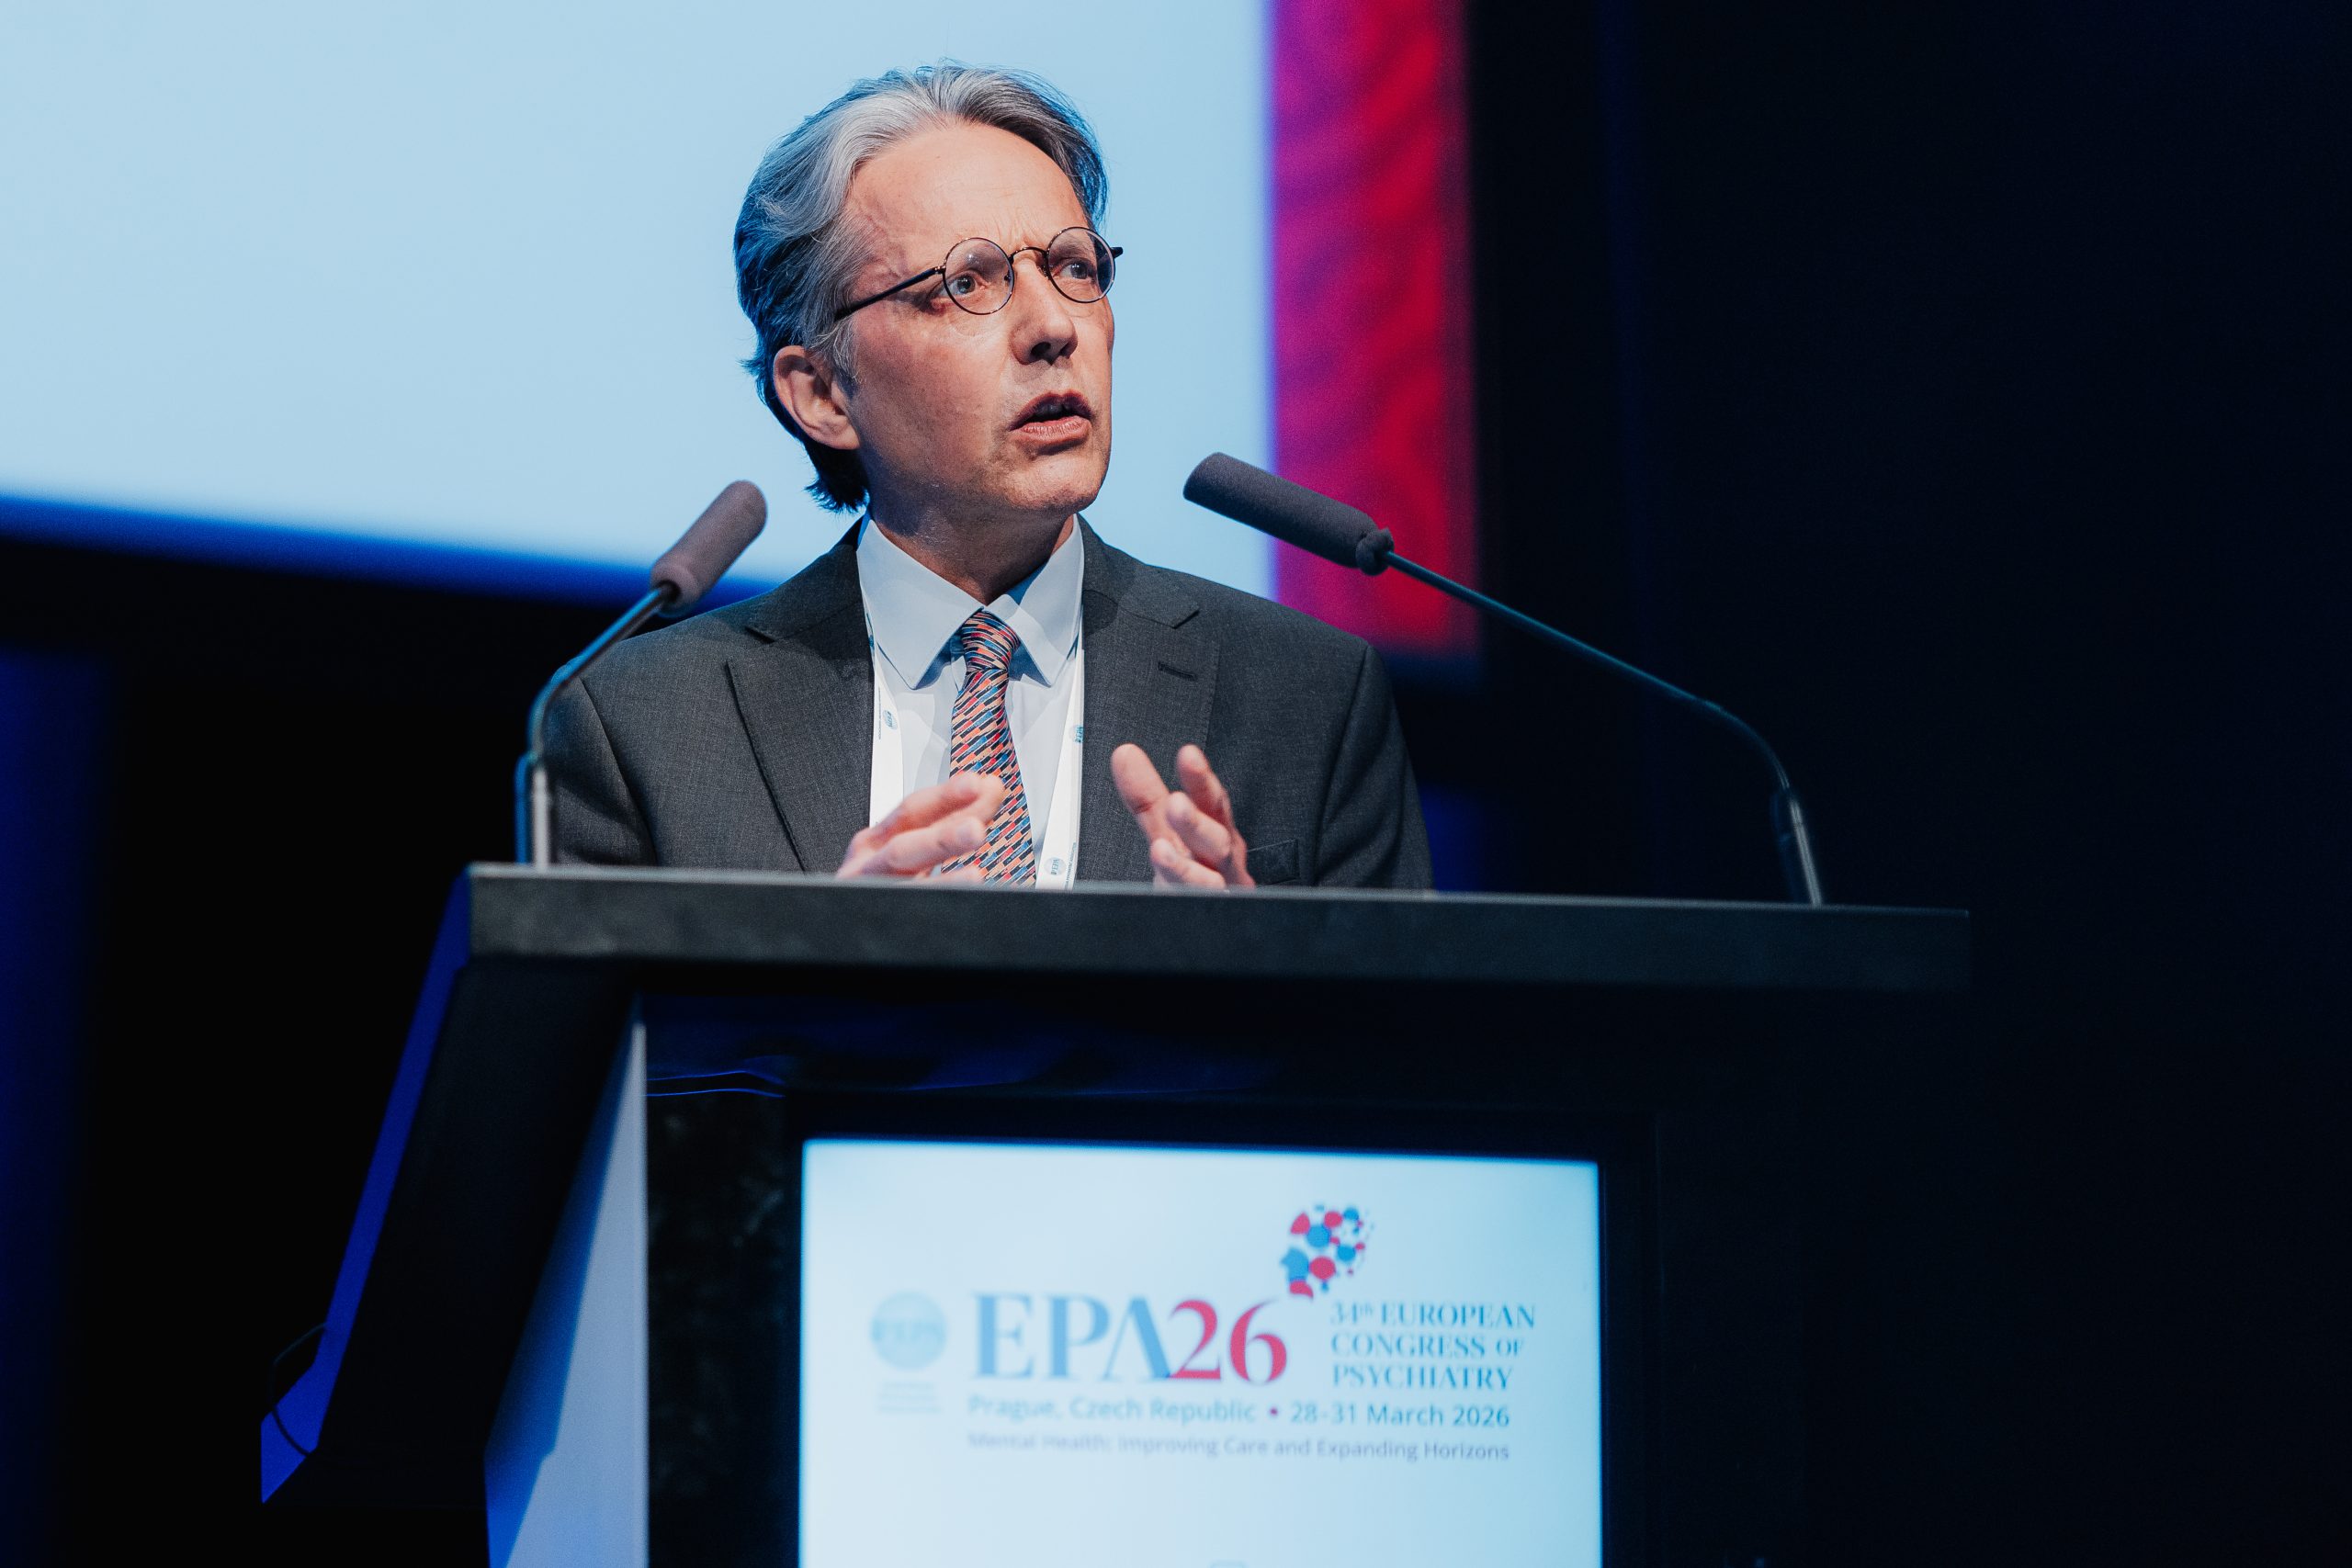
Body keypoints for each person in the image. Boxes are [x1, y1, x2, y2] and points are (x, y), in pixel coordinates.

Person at [547, 63, 1428, 890]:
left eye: (1074, 267)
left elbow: (1393, 1010)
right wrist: (826, 977)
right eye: (968, 282)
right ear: (820, 392)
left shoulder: (1306, 698)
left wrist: (1254, 970)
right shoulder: (648, 727)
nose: (1054, 326)